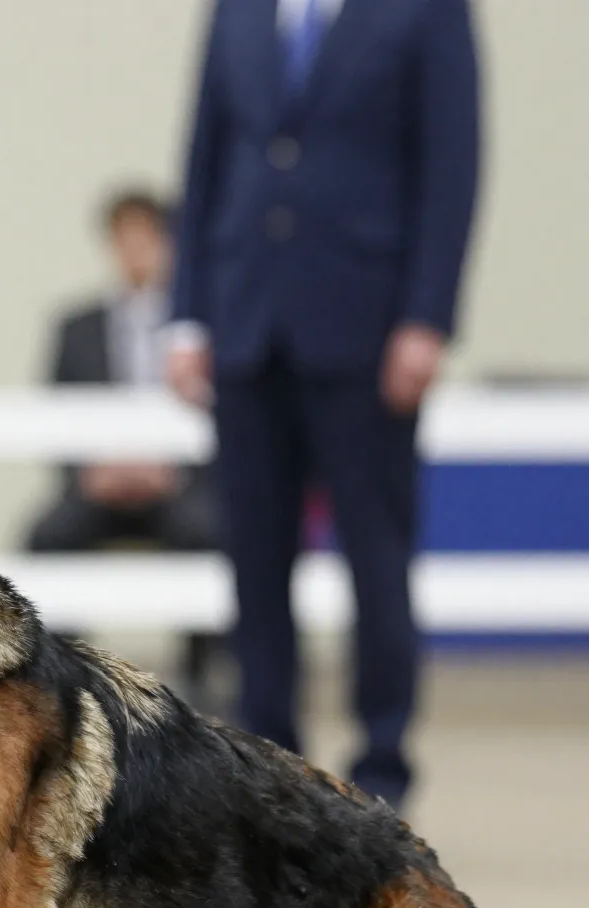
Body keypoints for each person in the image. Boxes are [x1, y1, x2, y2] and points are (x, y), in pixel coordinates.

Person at [169, 0, 481, 807]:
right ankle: (268, 765)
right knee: (255, 559)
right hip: (247, 324)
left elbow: (451, 164)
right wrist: (189, 314)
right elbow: (205, 158)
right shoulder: (237, 12)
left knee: (376, 558)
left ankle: (382, 763)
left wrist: (427, 317)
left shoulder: (427, 13)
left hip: (368, 327)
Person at [27, 189, 221, 704]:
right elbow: (55, 418)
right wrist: (90, 473)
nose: (135, 250)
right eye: (124, 238)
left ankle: (202, 673)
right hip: (100, 484)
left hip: (175, 486)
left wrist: (173, 473)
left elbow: (221, 421)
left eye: (146, 238)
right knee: (47, 535)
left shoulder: (198, 328)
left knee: (208, 530)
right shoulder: (76, 328)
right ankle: (65, 677)